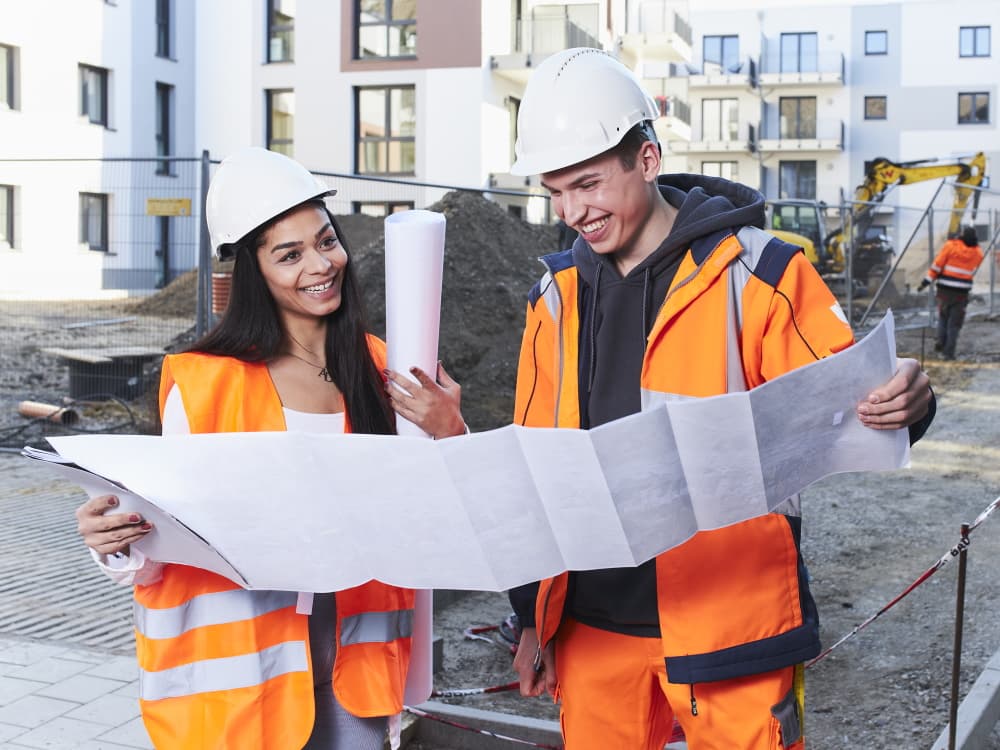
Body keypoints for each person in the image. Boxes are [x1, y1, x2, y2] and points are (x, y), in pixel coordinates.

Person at [505, 48, 935, 750]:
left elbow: (853, 403)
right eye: (555, 190)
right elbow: (533, 468)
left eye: (587, 184)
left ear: (646, 158)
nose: (571, 210)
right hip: (591, 632)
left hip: (729, 625)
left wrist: (908, 402)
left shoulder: (760, 274)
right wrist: (533, 616)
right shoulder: (553, 298)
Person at [74, 147, 465, 749]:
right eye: (290, 254)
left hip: (352, 664)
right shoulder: (207, 383)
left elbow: (443, 517)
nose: (321, 264)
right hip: (244, 676)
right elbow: (168, 542)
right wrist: (115, 543)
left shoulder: (384, 367)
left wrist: (452, 435)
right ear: (254, 272)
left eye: (326, 241)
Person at [918, 225, 983, 360]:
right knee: (954, 324)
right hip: (961, 294)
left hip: (944, 291)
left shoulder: (951, 246)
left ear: (961, 235)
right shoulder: (977, 253)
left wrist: (926, 281)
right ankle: (949, 353)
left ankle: (940, 343)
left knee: (943, 318)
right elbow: (975, 257)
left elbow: (937, 265)